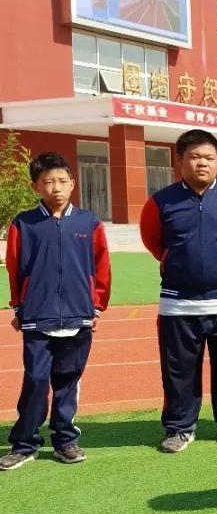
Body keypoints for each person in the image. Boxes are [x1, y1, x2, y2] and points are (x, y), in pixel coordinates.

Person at [139, 129, 217, 453]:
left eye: (209, 157)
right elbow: (153, 241)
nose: (202, 163)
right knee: (178, 371)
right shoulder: (160, 202)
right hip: (179, 305)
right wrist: (176, 261)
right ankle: (180, 427)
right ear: (179, 160)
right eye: (194, 157)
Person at [1, 153, 111, 470]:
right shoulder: (25, 223)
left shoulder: (88, 222)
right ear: (36, 186)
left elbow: (101, 267)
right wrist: (20, 306)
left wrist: (97, 306)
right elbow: (15, 268)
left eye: (62, 181)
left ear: (73, 184)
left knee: (68, 381)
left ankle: (65, 440)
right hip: (37, 316)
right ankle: (24, 443)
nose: (56, 188)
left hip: (79, 315)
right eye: (48, 182)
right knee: (35, 380)